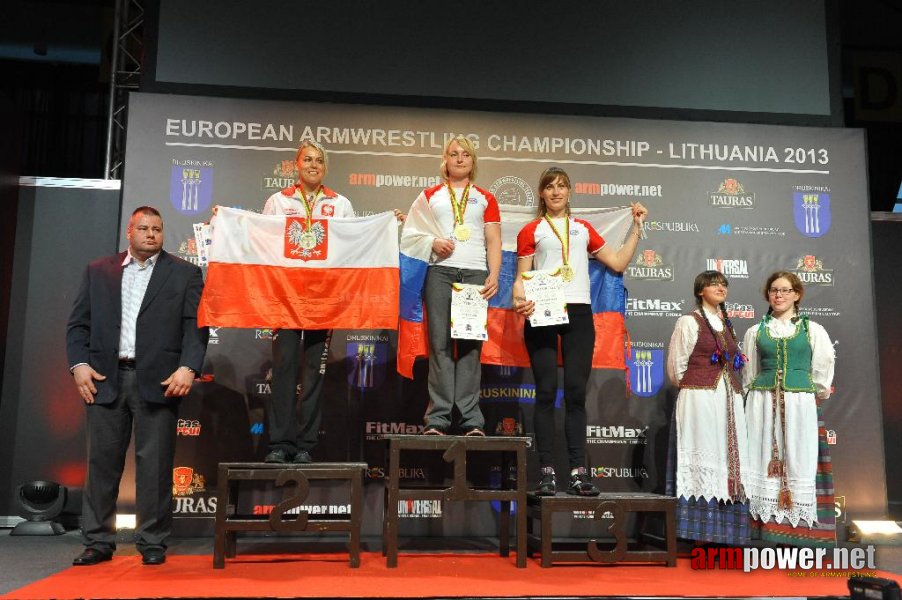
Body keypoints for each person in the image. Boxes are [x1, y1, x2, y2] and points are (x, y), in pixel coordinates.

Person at [66, 206, 208, 566]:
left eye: (157, 229)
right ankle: (97, 541)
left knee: (156, 466)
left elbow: (197, 328)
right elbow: (78, 325)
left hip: (159, 382)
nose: (151, 234)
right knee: (102, 465)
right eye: (143, 228)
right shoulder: (98, 271)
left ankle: (153, 542)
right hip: (104, 380)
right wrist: (79, 366)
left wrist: (188, 367)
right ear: (129, 232)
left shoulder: (186, 274)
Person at [512, 167, 647, 496]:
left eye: (562, 186)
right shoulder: (532, 230)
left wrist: (635, 227)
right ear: (541, 194)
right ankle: (546, 472)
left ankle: (577, 472)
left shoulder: (583, 229)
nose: (556, 192)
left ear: (569, 192)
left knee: (574, 394)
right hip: (543, 311)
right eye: (550, 187)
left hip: (578, 311)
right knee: (545, 392)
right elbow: (521, 277)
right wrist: (519, 299)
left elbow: (616, 263)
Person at [260, 141, 354, 464]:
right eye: (308, 160)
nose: (313, 165)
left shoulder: (339, 203)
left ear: (324, 168)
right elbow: (261, 241)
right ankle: (279, 444)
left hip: (323, 299)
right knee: (284, 368)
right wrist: (227, 221)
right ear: (296, 165)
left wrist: (386, 224)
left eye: (319, 161)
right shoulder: (278, 201)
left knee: (314, 371)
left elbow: (355, 243)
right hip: (285, 298)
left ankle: (304, 446)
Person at [403, 135, 501, 436]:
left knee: (470, 345)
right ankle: (438, 419)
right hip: (439, 272)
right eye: (454, 154)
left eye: (466, 154)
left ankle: (471, 420)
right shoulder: (430, 195)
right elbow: (411, 234)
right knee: (440, 344)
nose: (459, 159)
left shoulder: (485, 197)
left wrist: (494, 274)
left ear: (473, 162)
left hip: (473, 274)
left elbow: (494, 239)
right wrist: (433, 241)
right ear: (445, 160)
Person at [742, 271, 836, 546]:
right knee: (762, 458)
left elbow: (822, 368)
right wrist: (757, 396)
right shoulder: (756, 331)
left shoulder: (812, 329)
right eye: (773, 290)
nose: (778, 295)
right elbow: (750, 374)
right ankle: (762, 531)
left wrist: (810, 393)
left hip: (798, 402)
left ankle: (797, 534)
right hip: (762, 402)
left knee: (797, 458)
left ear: (797, 295)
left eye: (784, 290)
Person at [665, 270, 749, 544]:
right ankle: (697, 530)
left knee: (727, 457)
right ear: (701, 290)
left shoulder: (727, 324)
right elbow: (676, 367)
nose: (721, 288)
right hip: (700, 397)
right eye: (714, 284)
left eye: (724, 284)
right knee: (703, 452)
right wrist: (696, 386)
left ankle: (726, 532)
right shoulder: (688, 322)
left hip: (728, 398)